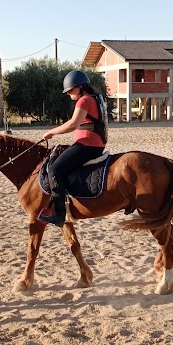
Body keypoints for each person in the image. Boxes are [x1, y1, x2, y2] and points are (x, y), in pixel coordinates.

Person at [39, 70, 108, 227]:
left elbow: (73, 124)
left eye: (70, 90)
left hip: (87, 145)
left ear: (80, 87)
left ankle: (59, 214)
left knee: (55, 170)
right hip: (95, 144)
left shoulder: (84, 100)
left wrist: (51, 132)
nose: (69, 94)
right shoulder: (96, 98)